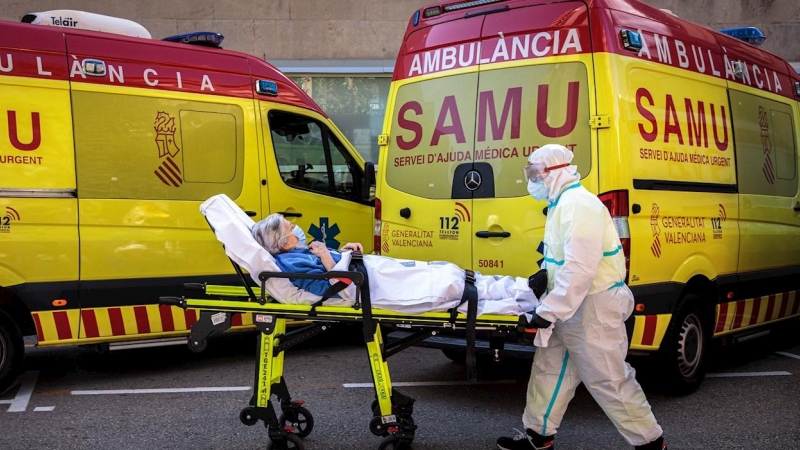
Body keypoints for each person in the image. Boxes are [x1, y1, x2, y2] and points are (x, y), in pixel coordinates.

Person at [496, 144, 666, 450]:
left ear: (554, 171)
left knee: (609, 379)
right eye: (530, 172)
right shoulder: (562, 204)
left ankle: (650, 443)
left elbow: (580, 268)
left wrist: (549, 311)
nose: (531, 179)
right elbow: (565, 261)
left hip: (592, 308)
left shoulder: (579, 206)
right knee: (548, 370)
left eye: (535, 172)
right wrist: (544, 277)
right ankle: (538, 436)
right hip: (569, 306)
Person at [250, 213, 549, 317]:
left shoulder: (299, 253)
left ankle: (521, 287)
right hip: (367, 287)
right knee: (449, 290)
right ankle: (524, 304)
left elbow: (335, 269)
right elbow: (329, 286)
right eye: (291, 228)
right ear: (283, 241)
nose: (297, 229)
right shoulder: (290, 263)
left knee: (449, 272)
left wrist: (344, 252)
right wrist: (330, 258)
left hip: (367, 272)